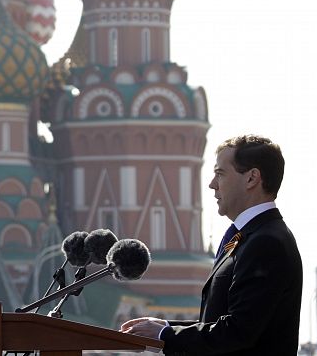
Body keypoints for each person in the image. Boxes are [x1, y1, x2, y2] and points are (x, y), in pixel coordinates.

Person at [120, 134, 302, 355]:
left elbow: (238, 331)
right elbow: (223, 322)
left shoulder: (266, 242)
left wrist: (165, 336)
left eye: (220, 174)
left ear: (252, 178)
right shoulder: (247, 236)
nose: (212, 185)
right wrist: (165, 328)